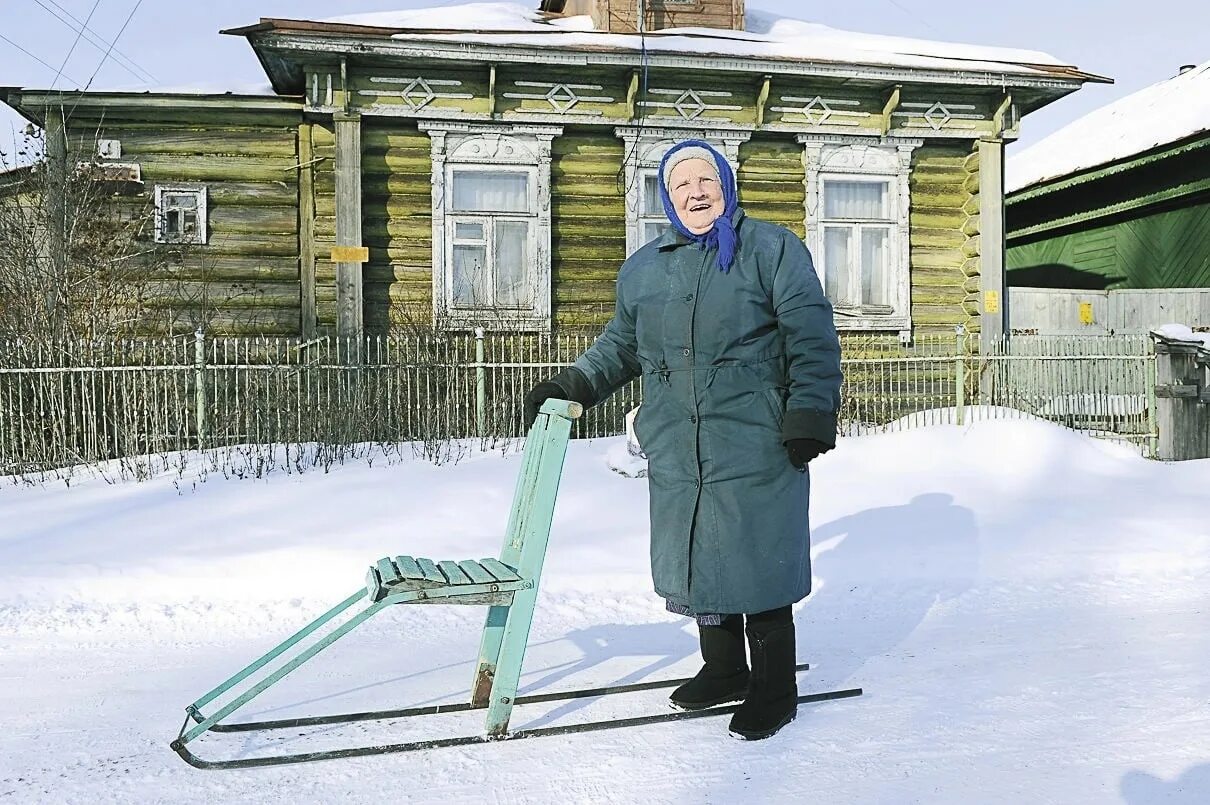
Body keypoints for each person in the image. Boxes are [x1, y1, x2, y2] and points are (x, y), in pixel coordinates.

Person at [523, 139, 842, 741]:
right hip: (677, 438)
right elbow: (622, 344)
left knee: (759, 554)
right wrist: (574, 384)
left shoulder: (771, 249)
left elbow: (811, 334)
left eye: (706, 181)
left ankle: (774, 686)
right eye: (681, 186)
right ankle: (723, 670)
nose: (696, 194)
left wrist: (809, 411)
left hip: (755, 435)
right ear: (666, 198)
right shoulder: (646, 267)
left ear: (726, 183)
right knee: (698, 554)